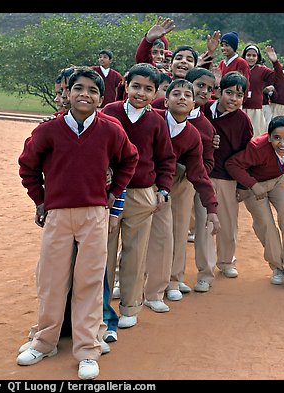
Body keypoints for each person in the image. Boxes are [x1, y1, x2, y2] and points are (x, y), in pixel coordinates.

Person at [17, 66, 139, 380]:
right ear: (68, 93)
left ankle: (87, 348)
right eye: (79, 88)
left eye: (93, 91)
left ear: (101, 98)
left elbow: (129, 159)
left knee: (89, 280)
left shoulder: (111, 129)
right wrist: (40, 199)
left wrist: (114, 192)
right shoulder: (48, 130)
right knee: (52, 280)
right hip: (58, 215)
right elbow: (27, 166)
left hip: (95, 214)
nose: (85, 94)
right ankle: (45, 341)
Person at [101, 62, 176, 329]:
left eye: (148, 89)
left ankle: (130, 306)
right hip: (108, 194)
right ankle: (100, 307)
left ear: (156, 92)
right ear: (126, 86)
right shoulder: (109, 113)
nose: (140, 93)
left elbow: (166, 159)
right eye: (136, 86)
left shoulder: (156, 120)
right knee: (104, 252)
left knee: (135, 253)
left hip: (142, 195)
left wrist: (163, 190)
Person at [144, 79, 221, 310]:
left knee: (174, 232)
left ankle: (172, 282)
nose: (182, 98)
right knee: (139, 233)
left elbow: (201, 170)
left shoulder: (198, 131)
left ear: (193, 103)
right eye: (176, 93)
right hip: (147, 182)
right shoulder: (153, 118)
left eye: (187, 95)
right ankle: (128, 280)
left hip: (181, 181)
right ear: (165, 101)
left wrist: (212, 208)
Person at [225, 116, 284, 286]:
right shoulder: (257, 148)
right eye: (276, 138)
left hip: (278, 180)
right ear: (269, 137)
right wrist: (252, 185)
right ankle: (278, 266)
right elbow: (232, 164)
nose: (282, 144)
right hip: (255, 185)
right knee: (265, 223)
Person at [204, 71, 254, 279]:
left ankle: (226, 260)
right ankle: (205, 264)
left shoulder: (243, 120)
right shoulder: (204, 110)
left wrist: (243, 186)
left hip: (227, 177)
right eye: (229, 93)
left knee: (227, 222)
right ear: (218, 92)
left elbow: (248, 154)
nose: (233, 99)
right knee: (204, 223)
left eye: (239, 95)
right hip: (202, 174)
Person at [180, 67, 220, 293]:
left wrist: (199, 173)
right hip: (174, 182)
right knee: (177, 229)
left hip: (200, 180)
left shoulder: (206, 125)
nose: (204, 92)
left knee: (205, 227)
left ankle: (205, 274)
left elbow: (209, 158)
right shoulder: (165, 113)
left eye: (209, 89)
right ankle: (172, 277)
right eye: (200, 86)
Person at [241, 43, 284, 137]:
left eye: (254, 55)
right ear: (244, 56)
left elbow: (279, 79)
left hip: (256, 110)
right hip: (240, 108)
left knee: (255, 136)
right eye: (248, 55)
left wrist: (275, 62)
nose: (251, 58)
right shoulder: (240, 68)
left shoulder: (262, 70)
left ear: (258, 57)